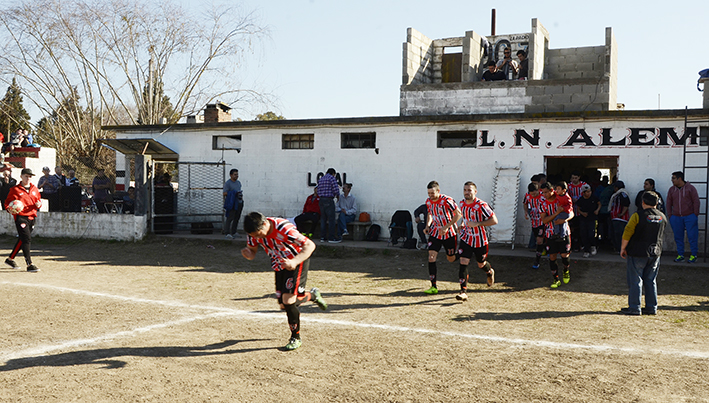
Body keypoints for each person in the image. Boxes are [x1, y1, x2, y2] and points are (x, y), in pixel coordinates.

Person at [241, 211, 328, 351]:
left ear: (264, 224)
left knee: (288, 301)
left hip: (297, 260)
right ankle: (312, 295)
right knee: (284, 305)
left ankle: (295, 337)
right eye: (254, 236)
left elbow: (310, 245)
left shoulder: (283, 228)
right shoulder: (253, 233)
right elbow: (252, 251)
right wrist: (248, 254)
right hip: (279, 264)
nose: (257, 238)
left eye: (258, 234)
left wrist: (294, 261)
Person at [619, 191, 667, 316]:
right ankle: (652, 307)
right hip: (655, 252)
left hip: (638, 252)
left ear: (643, 202)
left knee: (635, 280)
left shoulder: (637, 215)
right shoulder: (662, 216)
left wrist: (623, 248)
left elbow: (628, 232)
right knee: (651, 280)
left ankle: (635, 307)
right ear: (657, 203)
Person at [456, 182, 497, 301]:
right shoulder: (462, 203)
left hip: (480, 240)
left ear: (475, 192)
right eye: (465, 190)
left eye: (469, 190)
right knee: (463, 262)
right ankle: (463, 291)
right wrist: (462, 225)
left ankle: (489, 272)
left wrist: (478, 224)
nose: (467, 192)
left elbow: (494, 220)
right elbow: (465, 217)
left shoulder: (481, 205)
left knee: (481, 264)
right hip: (466, 238)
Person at [423, 181, 462, 295]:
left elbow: (459, 214)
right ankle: (433, 286)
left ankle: (463, 253)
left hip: (449, 233)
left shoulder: (447, 200)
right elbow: (430, 213)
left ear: (438, 191)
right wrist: (428, 225)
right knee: (431, 257)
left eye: (432, 193)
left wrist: (446, 226)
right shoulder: (428, 202)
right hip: (435, 233)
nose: (430, 195)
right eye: (429, 193)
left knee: (451, 258)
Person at [4, 168, 42, 272]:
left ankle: (10, 259)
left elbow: (38, 201)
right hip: (21, 217)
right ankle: (30, 264)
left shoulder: (34, 189)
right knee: (26, 239)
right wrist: (9, 209)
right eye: (26, 176)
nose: (28, 178)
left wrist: (39, 204)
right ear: (21, 176)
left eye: (30, 176)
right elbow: (7, 203)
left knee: (22, 239)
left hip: (32, 217)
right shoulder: (15, 190)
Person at [539, 182, 574, 289]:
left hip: (564, 231)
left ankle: (566, 270)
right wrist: (556, 214)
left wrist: (564, 219)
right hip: (550, 233)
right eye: (542, 192)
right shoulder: (543, 204)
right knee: (552, 256)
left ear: (552, 190)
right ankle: (556, 278)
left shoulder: (560, 198)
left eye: (546, 192)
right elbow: (544, 220)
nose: (544, 195)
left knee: (565, 255)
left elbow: (571, 212)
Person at [666, 171, 700, 263]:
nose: (672, 180)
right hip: (676, 217)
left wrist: (695, 214)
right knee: (678, 237)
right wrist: (670, 215)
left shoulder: (690, 188)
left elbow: (696, 201)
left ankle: (693, 255)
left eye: (673, 178)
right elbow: (669, 203)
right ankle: (680, 255)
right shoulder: (672, 190)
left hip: (689, 216)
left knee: (692, 236)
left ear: (679, 179)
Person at [575, 184, 600, 257]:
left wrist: (597, 210)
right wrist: (582, 213)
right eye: (587, 192)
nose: (588, 193)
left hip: (592, 218)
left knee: (591, 234)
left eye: (589, 191)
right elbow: (578, 208)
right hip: (583, 219)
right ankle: (586, 250)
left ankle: (593, 246)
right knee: (584, 234)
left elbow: (599, 204)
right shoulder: (581, 200)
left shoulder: (594, 198)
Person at [524, 182, 545, 269]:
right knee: (538, 239)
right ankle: (544, 249)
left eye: (535, 193)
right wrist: (526, 212)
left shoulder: (543, 195)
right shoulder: (527, 196)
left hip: (543, 221)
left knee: (539, 240)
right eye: (531, 194)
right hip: (534, 220)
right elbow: (525, 203)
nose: (533, 195)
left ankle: (537, 261)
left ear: (538, 190)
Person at [317, 168, 340, 243]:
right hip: (329, 200)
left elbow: (318, 190)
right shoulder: (331, 178)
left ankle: (323, 237)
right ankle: (331, 237)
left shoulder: (321, 179)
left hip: (321, 200)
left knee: (323, 219)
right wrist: (337, 196)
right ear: (333, 173)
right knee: (331, 219)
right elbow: (335, 189)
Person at [609, 180, 631, 252]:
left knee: (619, 235)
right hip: (615, 217)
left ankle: (620, 249)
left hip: (620, 219)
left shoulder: (622, 194)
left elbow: (626, 204)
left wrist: (622, 213)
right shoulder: (617, 194)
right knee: (615, 234)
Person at [223, 168, 244, 239]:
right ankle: (227, 232)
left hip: (239, 202)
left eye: (237, 174)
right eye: (235, 174)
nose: (236, 176)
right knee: (230, 218)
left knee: (237, 218)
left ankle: (234, 232)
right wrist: (233, 193)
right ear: (231, 175)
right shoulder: (228, 183)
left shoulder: (238, 183)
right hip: (232, 203)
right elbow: (224, 193)